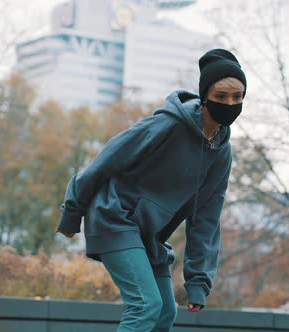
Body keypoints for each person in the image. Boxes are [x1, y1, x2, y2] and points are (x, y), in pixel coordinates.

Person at [55, 48, 247, 332]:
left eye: (237, 98)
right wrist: (73, 212)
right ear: (205, 97)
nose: (229, 104)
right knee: (145, 306)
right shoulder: (168, 125)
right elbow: (107, 159)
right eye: (221, 97)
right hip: (114, 216)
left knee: (164, 314)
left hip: (149, 236)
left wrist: (197, 281)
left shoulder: (221, 153)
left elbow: (206, 218)